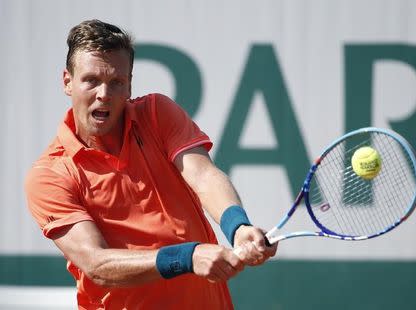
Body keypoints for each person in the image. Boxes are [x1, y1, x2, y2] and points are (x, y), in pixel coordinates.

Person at [25, 19, 276, 309]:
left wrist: (238, 227)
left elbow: (203, 175)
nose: (103, 94)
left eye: (116, 82)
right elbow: (96, 263)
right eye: (91, 80)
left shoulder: (157, 113)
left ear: (129, 85)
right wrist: (187, 258)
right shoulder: (49, 176)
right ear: (68, 82)